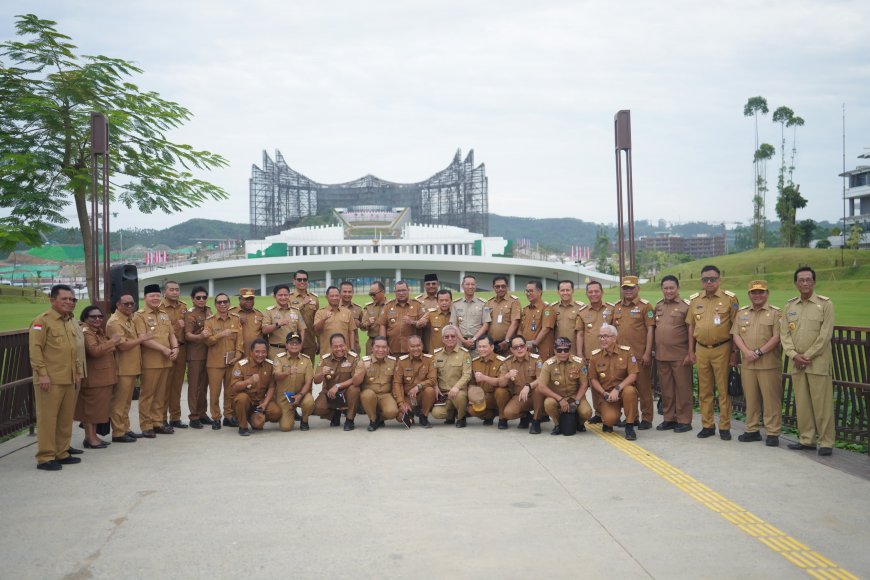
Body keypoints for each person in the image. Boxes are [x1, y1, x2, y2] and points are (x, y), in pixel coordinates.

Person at [780, 267, 835, 456]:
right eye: (801, 280)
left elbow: (825, 335)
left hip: (817, 363)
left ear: (814, 282)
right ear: (796, 283)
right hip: (797, 363)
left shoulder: (825, 304)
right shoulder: (790, 306)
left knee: (822, 404)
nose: (804, 283)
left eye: (808, 280)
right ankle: (807, 439)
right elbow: (784, 334)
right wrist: (794, 355)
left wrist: (807, 356)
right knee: (802, 403)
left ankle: (826, 442)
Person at [29, 284, 84, 470]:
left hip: (68, 378)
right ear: (53, 300)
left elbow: (73, 351)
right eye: (65, 299)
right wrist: (42, 375)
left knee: (65, 418)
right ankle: (45, 457)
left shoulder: (68, 321)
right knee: (47, 419)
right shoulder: (41, 321)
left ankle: (61, 452)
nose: (69, 302)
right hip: (50, 380)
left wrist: (77, 372)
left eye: (72, 299)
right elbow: (35, 350)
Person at [686, 265, 739, 440]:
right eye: (705, 279)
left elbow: (735, 328)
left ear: (719, 280)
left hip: (722, 348)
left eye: (713, 279)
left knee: (723, 390)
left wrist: (734, 353)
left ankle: (724, 427)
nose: (709, 282)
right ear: (701, 281)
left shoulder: (730, 299)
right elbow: (691, 326)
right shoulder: (695, 300)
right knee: (705, 390)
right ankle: (707, 425)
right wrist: (691, 351)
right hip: (701, 349)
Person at [732, 280, 783, 446]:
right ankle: (752, 429)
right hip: (748, 363)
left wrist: (759, 352)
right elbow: (736, 335)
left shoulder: (775, 313)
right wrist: (746, 352)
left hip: (768, 363)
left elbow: (777, 337)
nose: (757, 295)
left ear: (767, 294)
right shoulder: (741, 313)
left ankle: (772, 432)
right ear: (749, 295)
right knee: (751, 399)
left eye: (761, 292)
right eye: (754, 292)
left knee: (771, 400)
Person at [133, 284, 179, 438]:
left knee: (161, 394)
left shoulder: (164, 314)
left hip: (166, 361)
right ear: (145, 298)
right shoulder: (139, 316)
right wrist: (164, 349)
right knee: (147, 395)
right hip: (150, 362)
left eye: (157, 296)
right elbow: (143, 339)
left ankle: (158, 423)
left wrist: (175, 347)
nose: (155, 298)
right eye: (152, 296)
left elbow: (171, 334)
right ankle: (146, 426)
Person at [611, 275, 655, 429]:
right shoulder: (617, 307)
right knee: (628, 389)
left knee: (643, 388)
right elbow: (613, 331)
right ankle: (632, 417)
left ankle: (647, 418)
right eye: (625, 288)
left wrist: (648, 352)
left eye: (631, 288)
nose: (628, 291)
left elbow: (650, 330)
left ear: (638, 288)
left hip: (639, 355)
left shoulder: (645, 307)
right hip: (622, 357)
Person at [106, 293, 150, 442]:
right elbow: (123, 346)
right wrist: (142, 339)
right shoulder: (114, 322)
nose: (130, 306)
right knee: (119, 402)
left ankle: (125, 428)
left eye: (132, 304)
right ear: (118, 305)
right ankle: (118, 432)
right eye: (126, 304)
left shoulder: (129, 319)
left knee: (126, 402)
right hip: (122, 368)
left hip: (131, 366)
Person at [76, 305, 121, 448]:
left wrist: (108, 344)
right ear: (85, 318)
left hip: (102, 377)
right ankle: (90, 438)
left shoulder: (97, 331)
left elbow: (105, 349)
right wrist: (112, 341)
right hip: (94, 378)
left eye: (100, 317)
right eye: (93, 317)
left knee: (98, 410)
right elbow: (94, 351)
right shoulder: (87, 332)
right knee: (91, 410)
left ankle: (93, 436)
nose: (97, 319)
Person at [654, 275, 694, 433]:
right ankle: (669, 418)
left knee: (683, 389)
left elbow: (691, 331)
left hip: (680, 355)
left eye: (672, 288)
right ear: (662, 289)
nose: (669, 291)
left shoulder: (686, 306)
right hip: (662, 356)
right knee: (666, 389)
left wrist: (690, 352)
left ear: (678, 288)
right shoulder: (658, 306)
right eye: (666, 288)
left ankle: (684, 420)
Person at [589, 324, 640, 441]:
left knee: (630, 391)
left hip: (622, 391)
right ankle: (614, 416)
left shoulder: (626, 352)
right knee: (609, 420)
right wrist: (604, 393)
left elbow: (633, 375)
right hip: (607, 394)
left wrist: (617, 389)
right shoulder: (595, 356)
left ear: (614, 338)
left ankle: (630, 425)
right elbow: (593, 379)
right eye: (600, 336)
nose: (602, 339)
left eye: (605, 336)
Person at [532, 336, 592, 435]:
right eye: (559, 350)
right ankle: (558, 424)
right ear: (555, 350)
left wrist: (576, 402)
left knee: (587, 412)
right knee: (548, 403)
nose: (563, 353)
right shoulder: (548, 364)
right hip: (557, 396)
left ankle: (579, 423)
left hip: (575, 395)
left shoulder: (579, 362)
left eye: (566, 350)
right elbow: (542, 386)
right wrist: (559, 399)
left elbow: (584, 384)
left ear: (570, 350)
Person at [203, 293, 243, 429]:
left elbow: (240, 340)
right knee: (215, 392)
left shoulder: (236, 319)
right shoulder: (209, 321)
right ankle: (216, 417)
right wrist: (221, 334)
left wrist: (238, 356)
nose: (222, 304)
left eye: (225, 302)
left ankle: (229, 416)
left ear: (229, 303)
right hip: (214, 363)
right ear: (215, 305)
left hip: (231, 362)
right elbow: (207, 341)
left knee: (230, 391)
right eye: (219, 302)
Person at [575, 280, 614, 424]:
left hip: (609, 354)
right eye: (590, 292)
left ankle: (611, 412)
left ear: (602, 292)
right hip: (591, 355)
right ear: (586, 294)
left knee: (608, 383)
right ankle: (598, 412)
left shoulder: (611, 309)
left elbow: (617, 332)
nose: (593, 294)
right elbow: (580, 334)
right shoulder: (583, 312)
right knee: (594, 383)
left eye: (596, 291)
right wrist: (580, 354)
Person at [230, 339, 281, 436]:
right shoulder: (241, 365)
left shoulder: (269, 365)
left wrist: (265, 403)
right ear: (251, 351)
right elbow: (234, 387)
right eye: (257, 352)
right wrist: (248, 381)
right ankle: (243, 425)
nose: (260, 355)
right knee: (242, 398)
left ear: (267, 352)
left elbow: (271, 387)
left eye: (263, 352)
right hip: (246, 400)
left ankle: (254, 417)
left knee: (276, 413)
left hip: (259, 402)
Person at [313, 333, 364, 431]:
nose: (339, 349)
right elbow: (316, 381)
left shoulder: (353, 358)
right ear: (331, 347)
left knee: (355, 389)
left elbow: (355, 378)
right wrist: (321, 373)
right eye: (335, 346)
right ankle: (334, 415)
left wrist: (338, 385)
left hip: (346, 392)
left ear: (346, 345)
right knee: (318, 408)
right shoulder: (325, 359)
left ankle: (350, 419)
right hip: (330, 393)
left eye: (341, 346)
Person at [430, 325, 472, 427]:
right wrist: (435, 386)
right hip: (444, 394)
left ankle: (461, 417)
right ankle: (451, 414)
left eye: (453, 336)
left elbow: (467, 374)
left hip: (459, 391)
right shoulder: (437, 354)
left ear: (457, 338)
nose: (450, 339)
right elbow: (432, 373)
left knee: (460, 397)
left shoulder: (464, 354)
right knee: (437, 413)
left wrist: (456, 387)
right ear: (442, 339)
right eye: (447, 336)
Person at [496, 336, 542, 431]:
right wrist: (507, 376)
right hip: (519, 396)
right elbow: (501, 383)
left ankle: (536, 420)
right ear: (511, 350)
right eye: (516, 347)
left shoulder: (536, 360)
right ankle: (526, 416)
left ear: (526, 347)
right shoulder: (507, 362)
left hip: (535, 396)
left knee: (538, 390)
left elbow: (541, 379)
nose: (519, 349)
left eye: (521, 346)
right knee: (508, 413)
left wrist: (529, 386)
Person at [273, 332, 315, 431]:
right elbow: (276, 376)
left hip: (301, 395)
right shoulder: (279, 358)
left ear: (301, 345)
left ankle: (304, 421)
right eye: (291, 343)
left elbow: (309, 381)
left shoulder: (307, 360)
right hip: (285, 398)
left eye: (297, 343)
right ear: (286, 345)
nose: (294, 345)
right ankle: (290, 413)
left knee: (309, 402)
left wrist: (300, 395)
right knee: (285, 428)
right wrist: (286, 373)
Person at [161, 281, 189, 429]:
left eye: (177, 289)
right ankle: (161, 418)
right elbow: (161, 330)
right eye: (171, 290)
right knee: (165, 386)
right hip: (167, 350)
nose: (174, 292)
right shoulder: (159, 308)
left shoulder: (183, 306)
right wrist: (177, 326)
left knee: (177, 386)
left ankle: (175, 417)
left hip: (182, 349)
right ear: (164, 292)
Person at [359, 336, 403, 431]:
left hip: (386, 395)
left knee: (392, 412)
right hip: (369, 395)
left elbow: (397, 382)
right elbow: (355, 382)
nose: (381, 350)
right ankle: (373, 420)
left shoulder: (393, 362)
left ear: (387, 349)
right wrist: (363, 370)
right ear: (372, 348)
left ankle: (379, 417)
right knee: (367, 394)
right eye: (377, 347)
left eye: (384, 347)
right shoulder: (364, 361)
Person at [393, 335, 437, 428]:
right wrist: (401, 403)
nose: (416, 348)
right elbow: (397, 383)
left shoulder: (430, 359)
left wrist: (418, 387)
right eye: (412, 346)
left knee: (430, 391)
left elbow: (432, 379)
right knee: (400, 417)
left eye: (418, 345)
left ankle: (424, 416)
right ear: (408, 348)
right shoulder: (401, 361)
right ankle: (411, 416)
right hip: (408, 397)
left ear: (422, 346)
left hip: (422, 395)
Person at [184, 286, 212, 428]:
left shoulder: (208, 310)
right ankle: (194, 416)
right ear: (192, 299)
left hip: (209, 352)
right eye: (198, 297)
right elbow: (187, 335)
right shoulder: (190, 314)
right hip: (195, 354)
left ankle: (202, 413)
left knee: (204, 386)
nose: (201, 300)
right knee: (195, 386)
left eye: (204, 297)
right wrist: (200, 336)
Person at [378, 280, 426, 356]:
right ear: (395, 292)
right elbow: (382, 325)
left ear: (408, 290)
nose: (401, 293)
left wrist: (412, 322)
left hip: (413, 350)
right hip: (393, 349)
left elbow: (424, 323)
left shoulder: (418, 305)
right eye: (398, 291)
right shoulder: (388, 306)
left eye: (403, 290)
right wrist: (384, 345)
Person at [467, 336, 505, 425]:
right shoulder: (474, 362)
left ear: (492, 347)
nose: (481, 349)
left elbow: (501, 382)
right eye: (479, 347)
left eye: (484, 347)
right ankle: (490, 415)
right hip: (483, 396)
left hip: (497, 396)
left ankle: (503, 417)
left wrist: (484, 378)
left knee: (501, 392)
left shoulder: (501, 361)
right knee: (471, 410)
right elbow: (472, 383)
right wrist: (472, 396)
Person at [262, 284, 306, 360]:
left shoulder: (295, 311)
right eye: (280, 295)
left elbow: (302, 329)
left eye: (286, 295)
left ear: (289, 296)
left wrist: (300, 345)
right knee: (275, 371)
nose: (283, 297)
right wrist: (278, 324)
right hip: (275, 350)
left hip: (293, 349)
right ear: (274, 296)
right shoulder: (269, 311)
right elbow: (264, 330)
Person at [450, 275, 490, 355]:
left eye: (472, 284)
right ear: (462, 286)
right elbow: (454, 324)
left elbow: (486, 324)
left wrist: (473, 339)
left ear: (475, 286)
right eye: (467, 284)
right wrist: (463, 340)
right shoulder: (455, 304)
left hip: (478, 343)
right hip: (460, 343)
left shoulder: (484, 303)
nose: (470, 287)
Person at [313, 286, 357, 355]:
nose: (334, 298)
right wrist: (323, 319)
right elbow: (316, 329)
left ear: (340, 296)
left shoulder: (347, 312)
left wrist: (352, 349)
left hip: (344, 352)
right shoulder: (320, 312)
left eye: (336, 295)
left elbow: (351, 332)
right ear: (326, 297)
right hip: (327, 353)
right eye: (332, 296)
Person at [519, 280, 555, 360]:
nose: (528, 293)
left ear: (539, 292)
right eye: (527, 291)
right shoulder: (525, 310)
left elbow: (546, 329)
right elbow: (520, 330)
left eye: (531, 291)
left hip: (540, 350)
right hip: (526, 350)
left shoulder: (547, 309)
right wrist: (521, 344)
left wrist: (534, 344)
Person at [485, 275, 521, 356]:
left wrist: (506, 340)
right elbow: (486, 323)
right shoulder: (489, 303)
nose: (500, 289)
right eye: (497, 286)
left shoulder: (514, 301)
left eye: (503, 286)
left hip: (507, 344)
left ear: (507, 286)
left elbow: (515, 323)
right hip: (492, 345)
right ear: (493, 287)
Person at [289, 270, 319, 359]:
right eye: (299, 279)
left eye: (304, 280)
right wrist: (303, 303)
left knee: (308, 368)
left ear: (308, 282)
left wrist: (318, 341)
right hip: (292, 340)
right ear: (294, 281)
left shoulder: (314, 298)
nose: (302, 282)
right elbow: (289, 315)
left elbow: (316, 321)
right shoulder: (288, 297)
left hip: (309, 341)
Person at [551, 280, 585, 355]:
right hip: (558, 351)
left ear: (572, 291)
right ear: (558, 292)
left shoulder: (581, 308)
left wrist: (580, 353)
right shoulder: (553, 308)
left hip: (575, 350)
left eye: (568, 290)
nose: (565, 293)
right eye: (562, 290)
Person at [230, 287, 265, 355]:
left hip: (255, 354)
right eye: (246, 299)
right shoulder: (231, 313)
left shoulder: (259, 314)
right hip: (237, 353)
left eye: (251, 299)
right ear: (239, 299)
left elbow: (264, 335)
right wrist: (237, 322)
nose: (249, 301)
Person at [360, 281, 387, 355]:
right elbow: (362, 327)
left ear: (383, 292)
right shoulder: (368, 307)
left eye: (374, 294)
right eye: (370, 294)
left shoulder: (391, 306)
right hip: (372, 343)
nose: (372, 297)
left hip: (387, 342)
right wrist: (368, 324)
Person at [423, 289, 453, 353]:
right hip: (436, 353)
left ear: (451, 301)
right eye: (441, 300)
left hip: (453, 353)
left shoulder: (455, 313)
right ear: (437, 301)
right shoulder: (431, 313)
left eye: (446, 300)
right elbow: (419, 323)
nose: (444, 303)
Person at [416, 274, 440, 352]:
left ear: (438, 284)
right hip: (422, 336)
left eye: (433, 283)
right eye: (428, 284)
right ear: (424, 285)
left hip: (439, 337)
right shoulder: (418, 300)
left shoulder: (444, 299)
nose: (431, 286)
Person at [340, 281, 364, 354]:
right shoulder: (333, 308)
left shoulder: (358, 309)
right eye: (344, 291)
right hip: (338, 347)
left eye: (350, 292)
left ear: (353, 292)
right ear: (340, 292)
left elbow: (363, 327)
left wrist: (360, 324)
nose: (347, 294)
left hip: (354, 347)